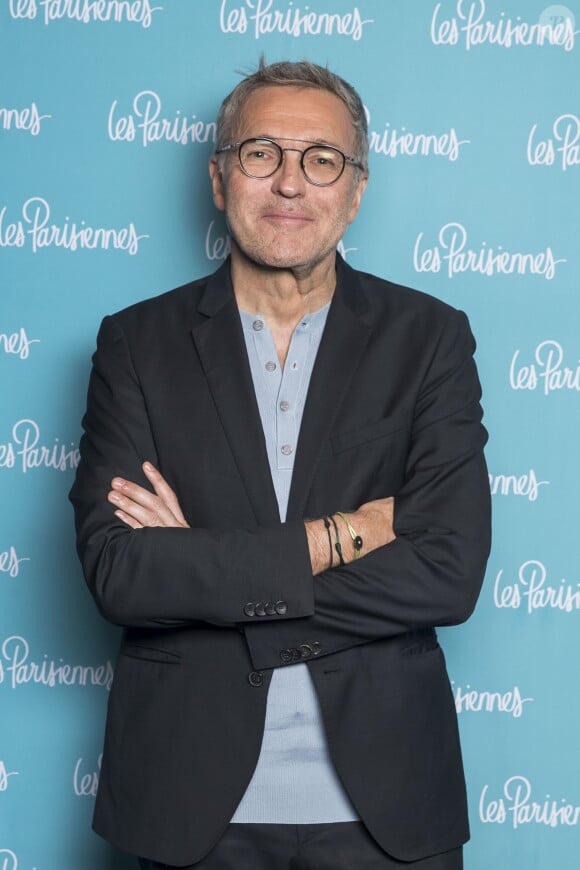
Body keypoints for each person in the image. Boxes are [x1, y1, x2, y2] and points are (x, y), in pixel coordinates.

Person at [70, 60, 491, 870]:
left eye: (321, 159)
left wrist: (209, 570)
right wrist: (340, 535)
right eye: (262, 154)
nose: (291, 183)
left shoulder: (430, 340)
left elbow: (448, 570)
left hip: (388, 810)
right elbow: (122, 573)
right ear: (220, 177)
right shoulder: (135, 344)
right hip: (186, 806)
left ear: (356, 188)